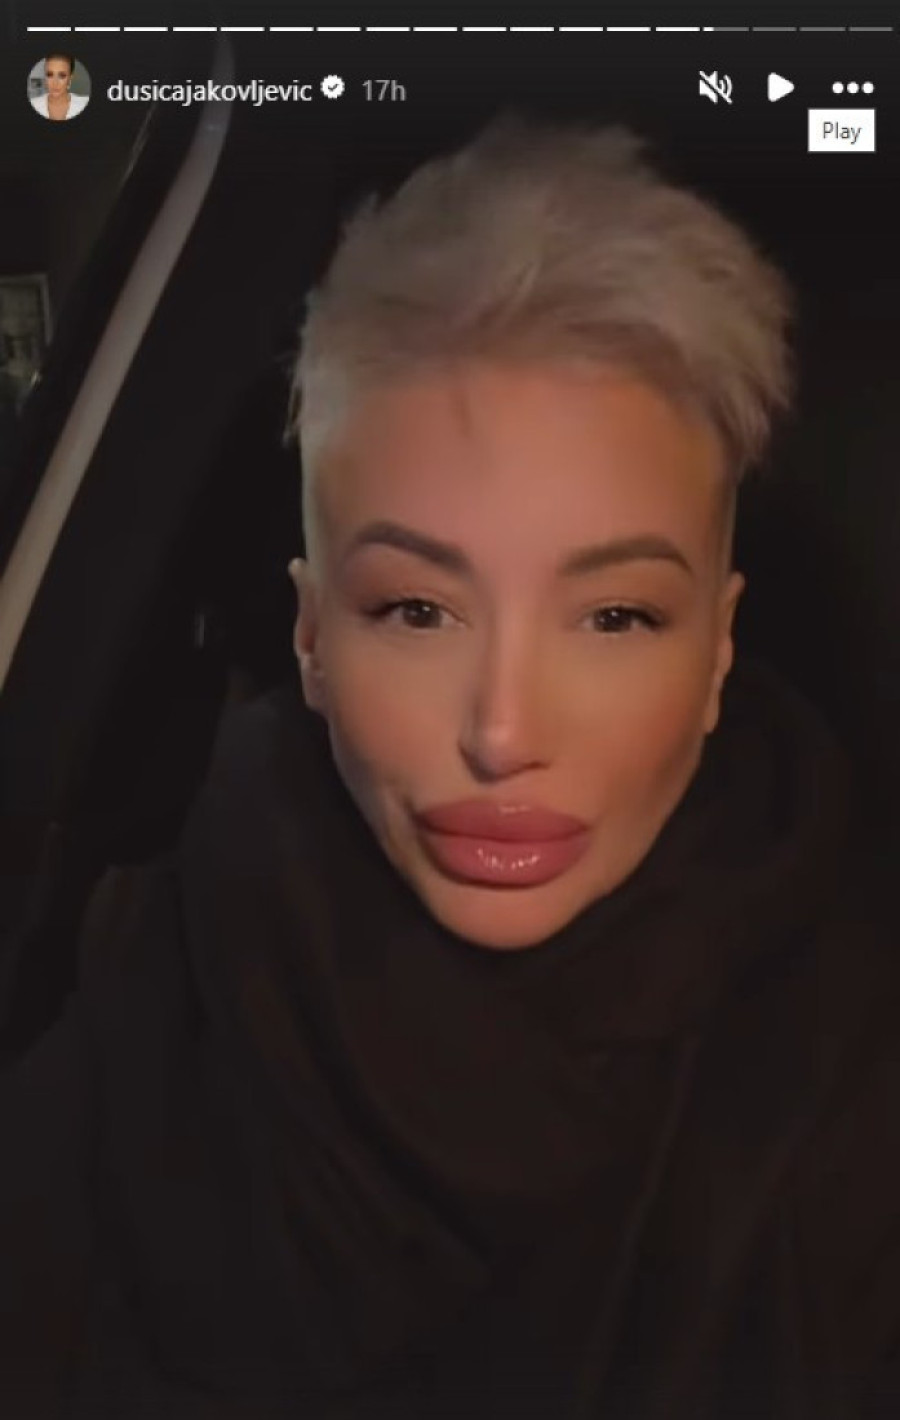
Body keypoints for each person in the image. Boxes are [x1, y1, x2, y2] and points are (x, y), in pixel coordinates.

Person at [0, 112, 898, 1419]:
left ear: (718, 650)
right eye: (417, 610)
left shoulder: (850, 1085)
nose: (503, 729)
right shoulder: (164, 954)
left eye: (615, 616)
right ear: (312, 636)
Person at [30, 54, 89, 121]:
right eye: (50, 75)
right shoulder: (33, 103)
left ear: (70, 79)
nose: (55, 83)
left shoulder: (84, 103)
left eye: (62, 76)